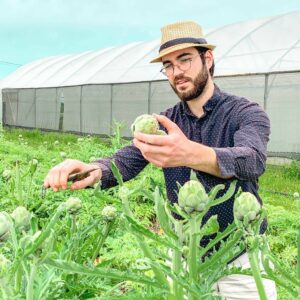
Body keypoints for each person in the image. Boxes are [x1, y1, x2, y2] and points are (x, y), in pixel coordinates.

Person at [44, 21, 277, 299]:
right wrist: (93, 170)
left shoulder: (246, 112)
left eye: (185, 59)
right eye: (168, 65)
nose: (177, 71)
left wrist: (189, 152)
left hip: (241, 259)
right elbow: (128, 159)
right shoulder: (165, 121)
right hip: (183, 256)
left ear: (208, 58)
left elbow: (252, 160)